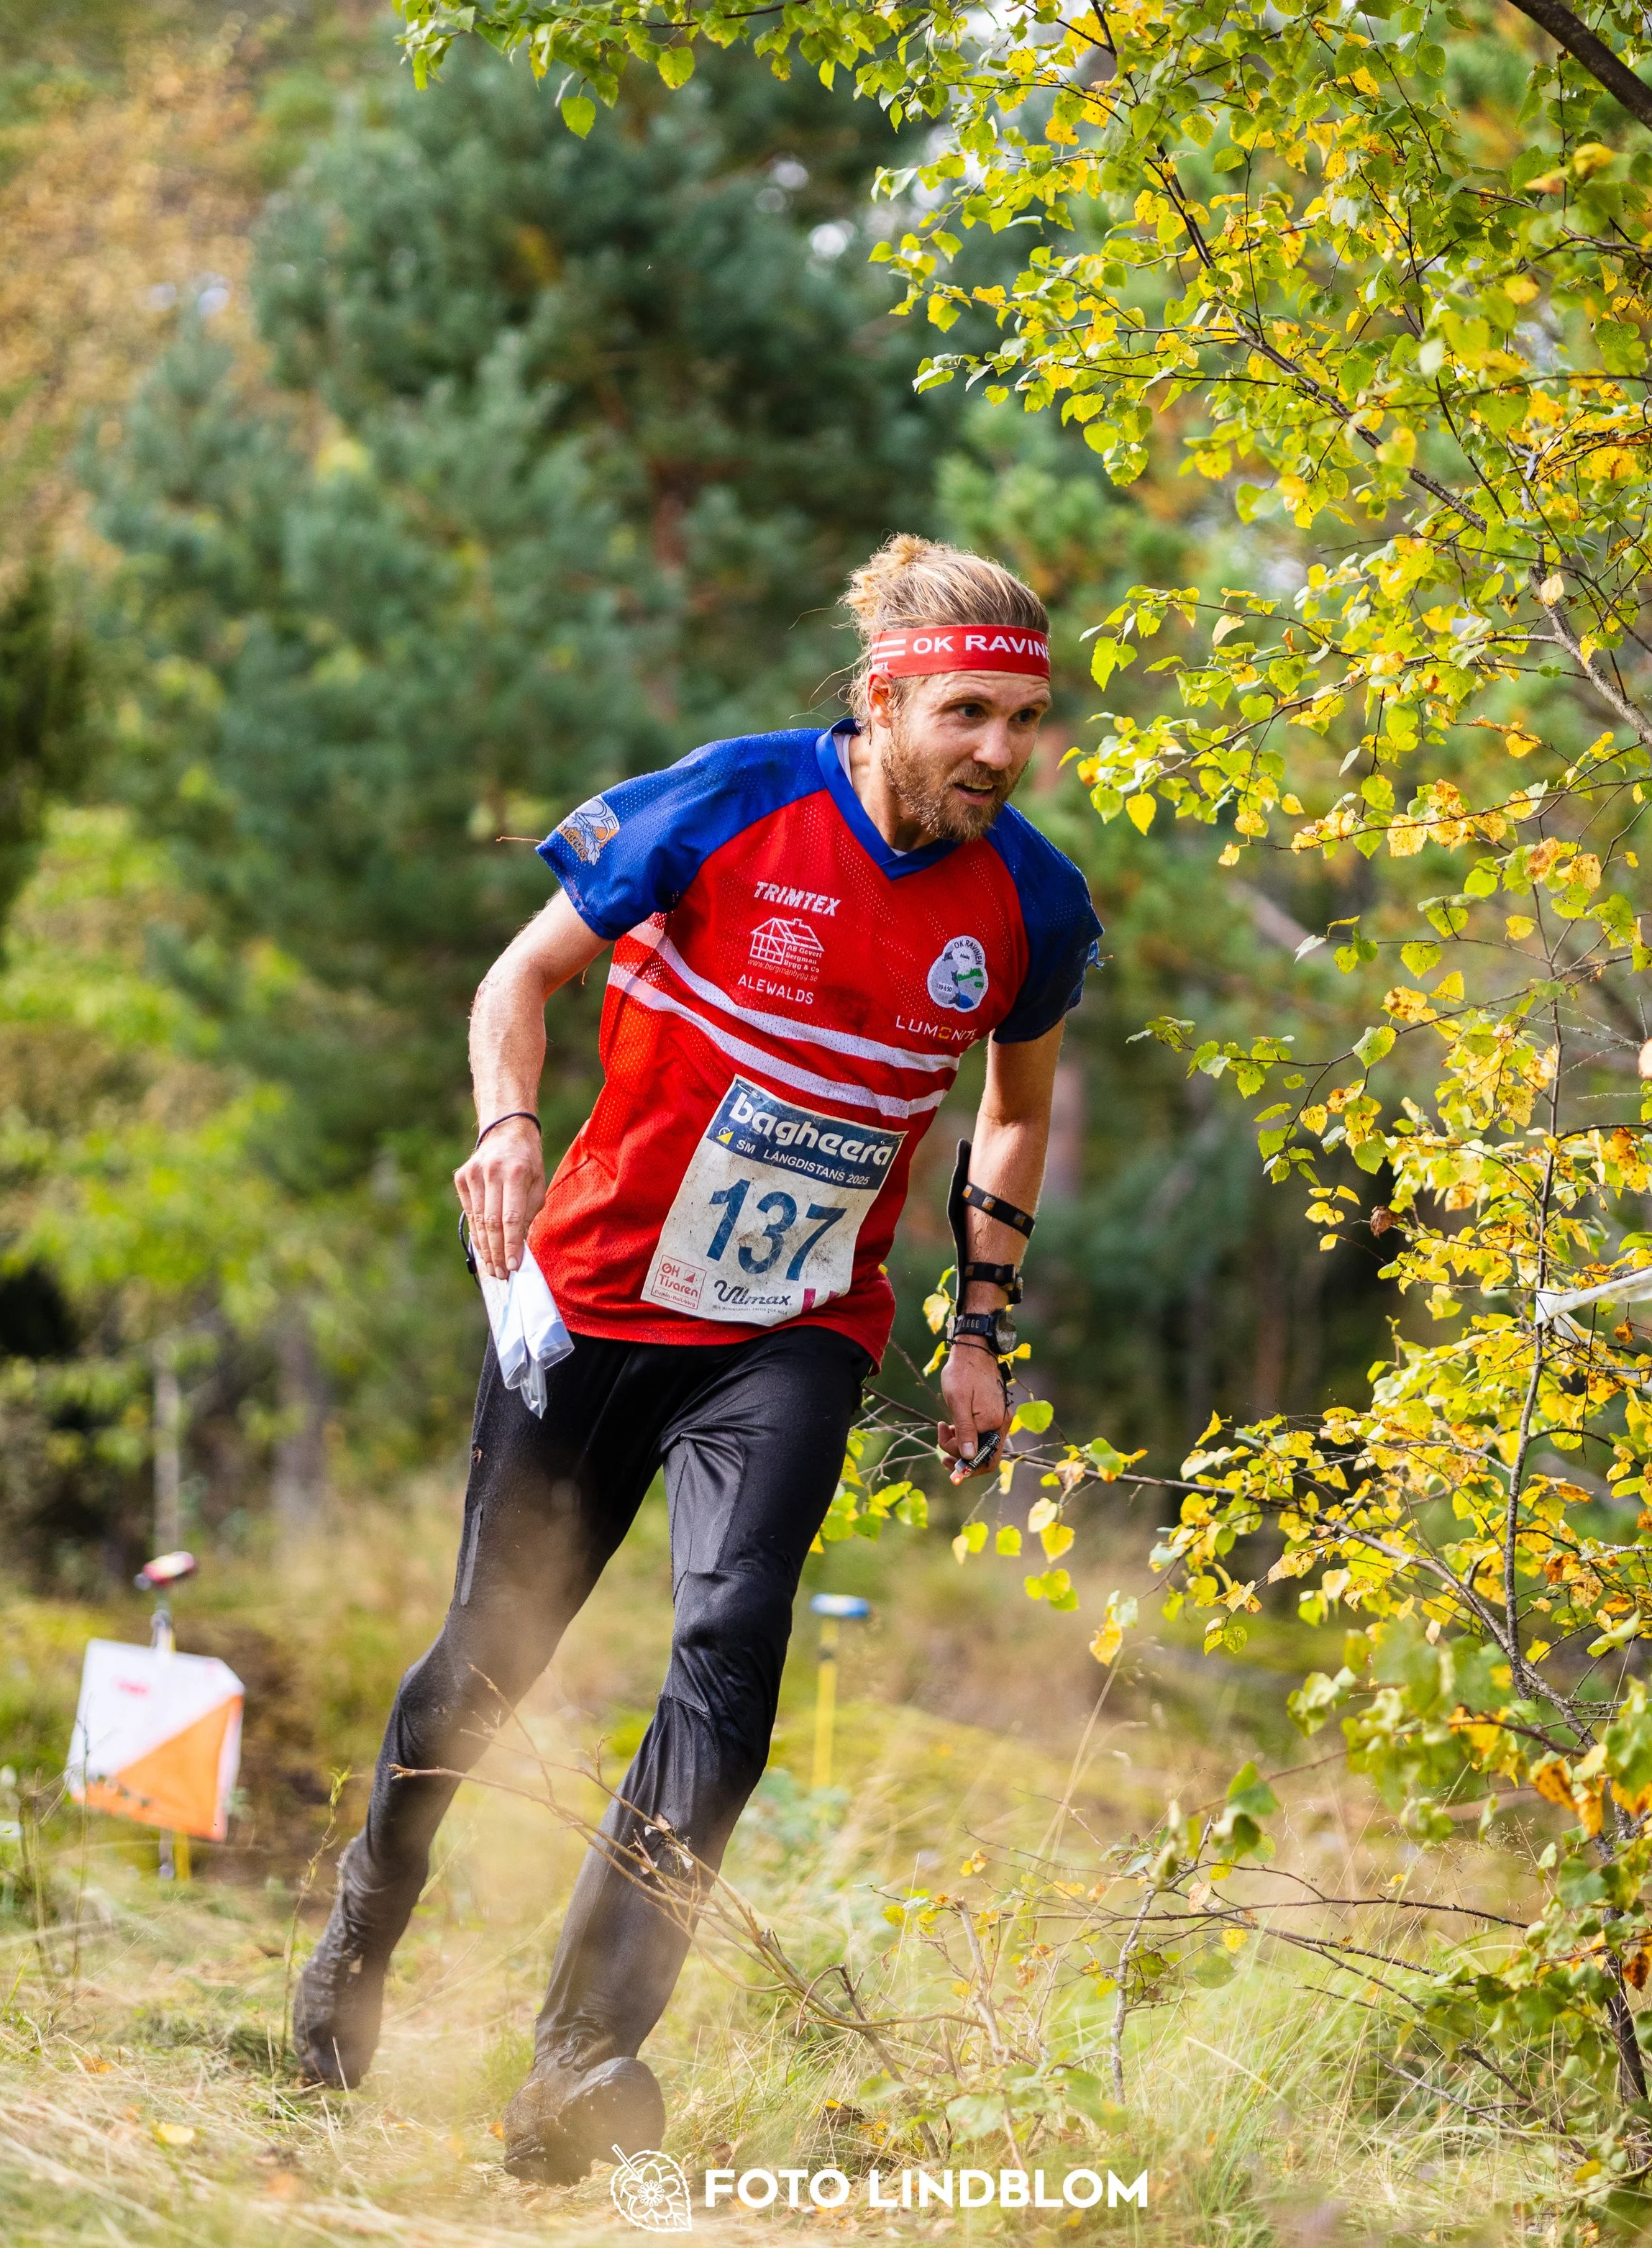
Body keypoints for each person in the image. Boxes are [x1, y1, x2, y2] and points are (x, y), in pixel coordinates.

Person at [291, 534, 1103, 2181]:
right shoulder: (724, 802)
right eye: (968, 713)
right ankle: (365, 1920)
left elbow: (1009, 1115)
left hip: (794, 1331)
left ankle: (584, 2058)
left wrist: (980, 1325)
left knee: (730, 1652)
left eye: (1024, 720)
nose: (1000, 752)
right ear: (882, 700)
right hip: (591, 1303)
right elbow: (518, 977)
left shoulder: (1028, 900)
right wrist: (507, 1127)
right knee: (483, 1667)